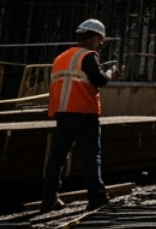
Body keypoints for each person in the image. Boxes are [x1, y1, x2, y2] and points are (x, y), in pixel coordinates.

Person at [40, 19, 116, 213]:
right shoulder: (89, 56)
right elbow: (98, 80)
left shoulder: (61, 58)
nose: (100, 45)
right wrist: (108, 73)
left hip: (63, 112)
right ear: (93, 38)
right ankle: (96, 196)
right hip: (84, 112)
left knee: (57, 157)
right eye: (100, 41)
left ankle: (49, 198)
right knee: (91, 155)